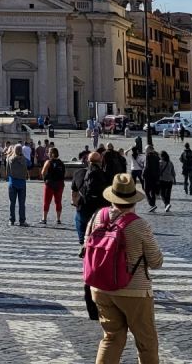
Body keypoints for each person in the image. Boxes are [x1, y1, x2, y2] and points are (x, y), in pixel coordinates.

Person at [85, 172, 164, 364]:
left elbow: (86, 244)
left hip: (100, 288)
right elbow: (155, 262)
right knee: (147, 343)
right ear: (133, 200)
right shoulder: (139, 225)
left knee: (112, 338)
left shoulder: (97, 217)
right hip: (133, 291)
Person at [75, 149, 110, 245]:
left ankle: (83, 244)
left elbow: (74, 193)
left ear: (88, 161)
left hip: (84, 207)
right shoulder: (105, 174)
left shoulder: (79, 173)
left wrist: (75, 203)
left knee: (79, 219)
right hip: (100, 209)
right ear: (100, 161)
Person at [40, 146, 66, 225]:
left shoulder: (48, 162)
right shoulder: (61, 163)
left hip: (50, 184)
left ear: (52, 154)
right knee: (58, 202)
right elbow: (64, 174)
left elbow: (43, 172)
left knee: (46, 201)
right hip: (60, 184)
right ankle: (58, 219)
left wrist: (45, 180)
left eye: (49, 152)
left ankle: (44, 218)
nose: (48, 153)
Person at [5, 143, 29, 226]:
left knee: (12, 203)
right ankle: (22, 220)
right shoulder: (24, 159)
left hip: (12, 182)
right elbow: (29, 166)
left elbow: (7, 172)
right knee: (22, 203)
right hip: (22, 183)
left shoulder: (9, 159)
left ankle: (11, 220)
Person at [140, 148, 162, 213]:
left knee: (146, 190)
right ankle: (153, 205)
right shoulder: (157, 158)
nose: (145, 151)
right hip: (155, 177)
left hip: (148, 177)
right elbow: (158, 168)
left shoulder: (148, 156)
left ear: (148, 150)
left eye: (146, 150)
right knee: (153, 191)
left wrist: (143, 174)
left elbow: (146, 167)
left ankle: (152, 204)